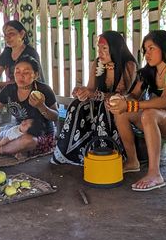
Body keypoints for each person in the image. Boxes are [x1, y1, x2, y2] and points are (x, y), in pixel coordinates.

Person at [108, 30, 166, 192]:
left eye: (151, 48)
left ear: (165, 48)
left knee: (149, 113)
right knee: (120, 112)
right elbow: (134, 95)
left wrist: (130, 105)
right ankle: (132, 161)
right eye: (145, 49)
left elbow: (163, 102)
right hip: (157, 119)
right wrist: (120, 102)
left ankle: (155, 174)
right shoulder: (148, 71)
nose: (147, 53)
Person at [51, 31, 138, 168]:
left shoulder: (128, 65)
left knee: (108, 105)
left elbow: (121, 95)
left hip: (122, 109)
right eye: (99, 48)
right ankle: (71, 154)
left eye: (104, 49)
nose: (100, 52)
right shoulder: (97, 63)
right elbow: (91, 88)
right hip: (99, 105)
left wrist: (96, 95)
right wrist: (81, 92)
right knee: (76, 105)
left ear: (115, 49)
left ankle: (105, 153)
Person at [0, 56, 59, 158]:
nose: (21, 76)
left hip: (41, 135)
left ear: (35, 75)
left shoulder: (44, 90)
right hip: (17, 132)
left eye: (26, 72)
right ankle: (13, 149)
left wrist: (41, 106)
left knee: (28, 141)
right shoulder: (9, 89)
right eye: (17, 72)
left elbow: (55, 116)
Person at [0, 20, 42, 108]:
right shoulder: (7, 52)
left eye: (11, 34)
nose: (7, 38)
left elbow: (26, 81)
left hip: (30, 90)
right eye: (5, 35)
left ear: (22, 34)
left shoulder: (30, 53)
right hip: (13, 88)